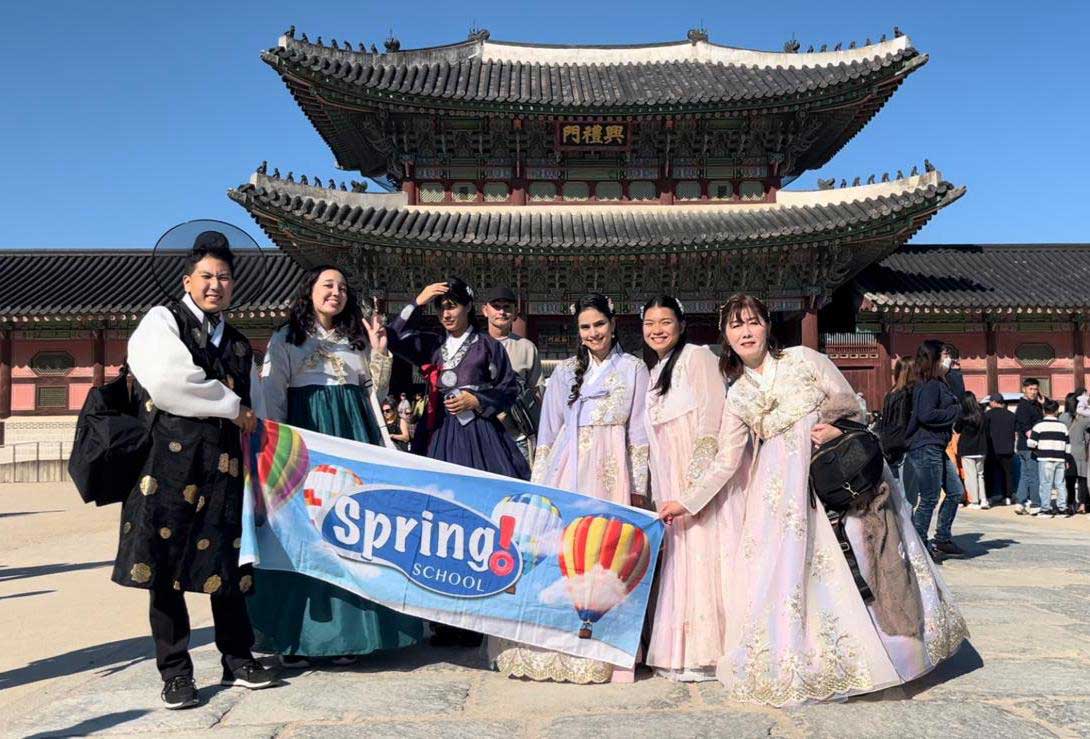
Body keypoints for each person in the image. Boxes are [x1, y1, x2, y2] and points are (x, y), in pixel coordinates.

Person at [657, 293, 968, 706]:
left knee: (866, 550)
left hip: (836, 471)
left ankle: (900, 650)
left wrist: (837, 428)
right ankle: (825, 659)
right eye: (736, 326)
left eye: (752, 322)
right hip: (780, 492)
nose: (745, 332)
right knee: (796, 573)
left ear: (767, 326)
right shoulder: (738, 395)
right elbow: (727, 462)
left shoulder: (805, 359)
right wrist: (686, 502)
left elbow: (851, 403)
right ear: (726, 337)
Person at [114, 232, 276, 709]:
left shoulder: (241, 344)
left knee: (227, 559)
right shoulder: (161, 321)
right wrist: (231, 405)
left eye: (224, 277)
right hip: (167, 465)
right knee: (164, 566)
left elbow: (258, 408)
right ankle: (175, 671)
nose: (215, 284)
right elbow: (169, 382)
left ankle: (237, 656)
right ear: (187, 279)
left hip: (225, 465)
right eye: (206, 276)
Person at [247, 265, 423, 667]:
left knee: (351, 527)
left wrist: (380, 355)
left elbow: (373, 392)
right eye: (327, 285)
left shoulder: (357, 338)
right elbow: (273, 396)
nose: (335, 292)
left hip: (352, 436)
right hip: (305, 439)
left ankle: (354, 635)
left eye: (342, 287)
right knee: (300, 529)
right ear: (309, 290)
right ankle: (295, 635)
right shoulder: (286, 338)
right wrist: (273, 448)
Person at [490, 293, 649, 684]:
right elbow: (548, 431)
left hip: (612, 473)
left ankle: (605, 647)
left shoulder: (633, 369)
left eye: (599, 325)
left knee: (605, 555)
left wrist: (640, 486)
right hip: (566, 469)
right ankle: (551, 643)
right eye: (585, 327)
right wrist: (542, 484)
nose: (593, 333)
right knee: (559, 553)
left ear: (613, 324)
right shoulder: (563, 372)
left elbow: (640, 430)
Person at [386, 278, 530, 646]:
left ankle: (479, 616)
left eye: (453, 305)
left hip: (479, 440)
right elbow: (392, 336)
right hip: (437, 437)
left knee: (478, 518)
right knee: (439, 523)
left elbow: (511, 387)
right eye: (441, 307)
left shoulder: (486, 346)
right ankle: (444, 619)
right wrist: (416, 301)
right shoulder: (432, 345)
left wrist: (477, 402)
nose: (446, 313)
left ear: (469, 307)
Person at [638, 295, 736, 682]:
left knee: (703, 557)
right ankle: (682, 650)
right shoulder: (655, 370)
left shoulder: (698, 358)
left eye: (665, 321)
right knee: (681, 561)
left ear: (681, 324)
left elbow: (712, 424)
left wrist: (693, 492)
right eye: (649, 323)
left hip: (696, 485)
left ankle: (709, 652)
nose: (657, 329)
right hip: (669, 484)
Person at [904, 340, 965, 560]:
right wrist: (954, 411)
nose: (949, 358)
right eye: (945, 354)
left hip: (937, 445)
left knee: (956, 491)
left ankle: (943, 537)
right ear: (934, 357)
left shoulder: (941, 382)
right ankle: (919, 544)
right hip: (925, 445)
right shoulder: (928, 384)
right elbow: (926, 415)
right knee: (929, 498)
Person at [481, 286, 544, 465]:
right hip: (483, 432)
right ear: (485, 310)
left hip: (518, 436)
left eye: (507, 307)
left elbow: (537, 393)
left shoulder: (526, 347)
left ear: (515, 312)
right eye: (496, 306)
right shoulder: (474, 345)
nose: (502, 311)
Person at [1028, 399, 1071, 517]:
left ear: (1043, 411)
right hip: (1060, 459)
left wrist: (1036, 449)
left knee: (1045, 484)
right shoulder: (1063, 426)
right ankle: (1063, 508)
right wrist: (1066, 458)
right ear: (1057, 411)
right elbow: (1068, 446)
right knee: (1060, 484)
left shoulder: (1039, 425)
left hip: (1045, 458)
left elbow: (1031, 443)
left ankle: (1045, 509)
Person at [877, 357, 915, 482]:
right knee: (908, 489)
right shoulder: (910, 393)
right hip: (905, 443)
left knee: (895, 484)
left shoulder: (891, 393)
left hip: (889, 442)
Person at [1014, 378, 1044, 514]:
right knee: (1033, 475)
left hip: (1023, 445)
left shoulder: (1034, 405)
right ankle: (1035, 503)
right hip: (1029, 445)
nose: (1033, 392)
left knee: (1025, 475)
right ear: (1024, 389)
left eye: (1035, 389)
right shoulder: (1024, 406)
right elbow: (1026, 427)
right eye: (1031, 389)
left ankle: (1020, 503)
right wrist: (1035, 441)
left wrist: (1042, 405)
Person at [955, 392, 989, 509]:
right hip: (981, 448)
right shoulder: (982, 414)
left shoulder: (963, 417)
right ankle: (984, 499)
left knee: (971, 476)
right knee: (981, 475)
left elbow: (957, 429)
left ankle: (974, 501)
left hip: (967, 449)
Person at [984, 395, 1017, 505]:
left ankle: (989, 496)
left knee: (990, 474)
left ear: (993, 402)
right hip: (1008, 448)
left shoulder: (987, 415)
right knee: (1008, 474)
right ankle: (1007, 496)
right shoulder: (1011, 415)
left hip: (992, 449)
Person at [1069, 391, 1090, 514]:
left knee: (1069, 480)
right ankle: (1082, 504)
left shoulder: (1063, 417)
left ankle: (1070, 503)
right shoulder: (1085, 420)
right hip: (1082, 452)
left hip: (1067, 452)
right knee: (1082, 479)